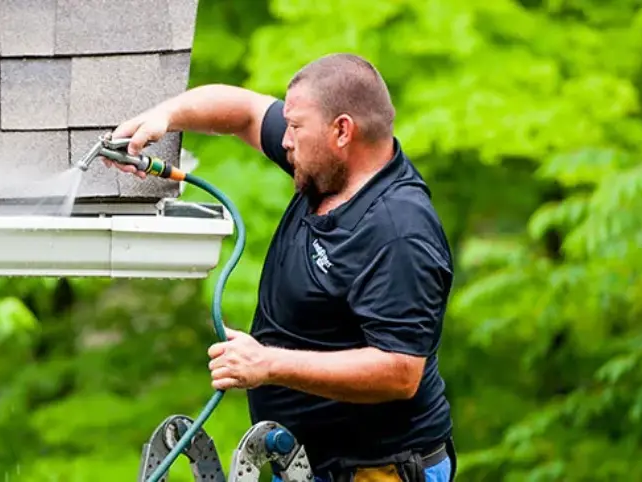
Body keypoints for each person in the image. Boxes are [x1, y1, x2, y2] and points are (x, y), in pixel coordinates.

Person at [106, 53, 456, 482]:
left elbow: (400, 371)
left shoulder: (398, 231)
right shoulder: (326, 170)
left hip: (378, 470)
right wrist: (164, 116)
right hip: (305, 462)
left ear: (342, 131)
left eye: (295, 127)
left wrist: (268, 364)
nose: (285, 140)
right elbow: (244, 112)